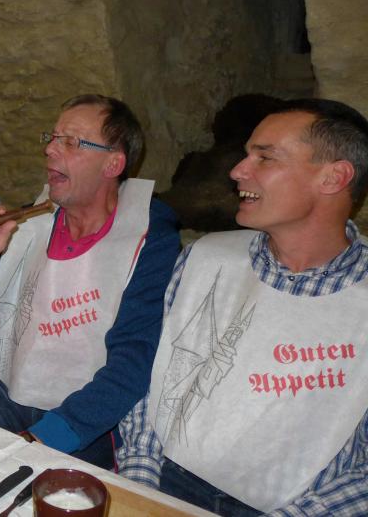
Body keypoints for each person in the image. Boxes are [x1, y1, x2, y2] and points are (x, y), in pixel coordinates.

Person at [117, 98, 368, 516]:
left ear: (333, 177)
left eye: (264, 157)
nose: (237, 171)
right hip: (168, 479)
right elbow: (152, 379)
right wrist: (141, 485)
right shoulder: (205, 258)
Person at [0, 94, 180, 469]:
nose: (50, 150)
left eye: (71, 142)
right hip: (8, 394)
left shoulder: (149, 241)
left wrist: (42, 439)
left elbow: (133, 364)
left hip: (90, 426)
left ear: (113, 163)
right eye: (52, 138)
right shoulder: (31, 224)